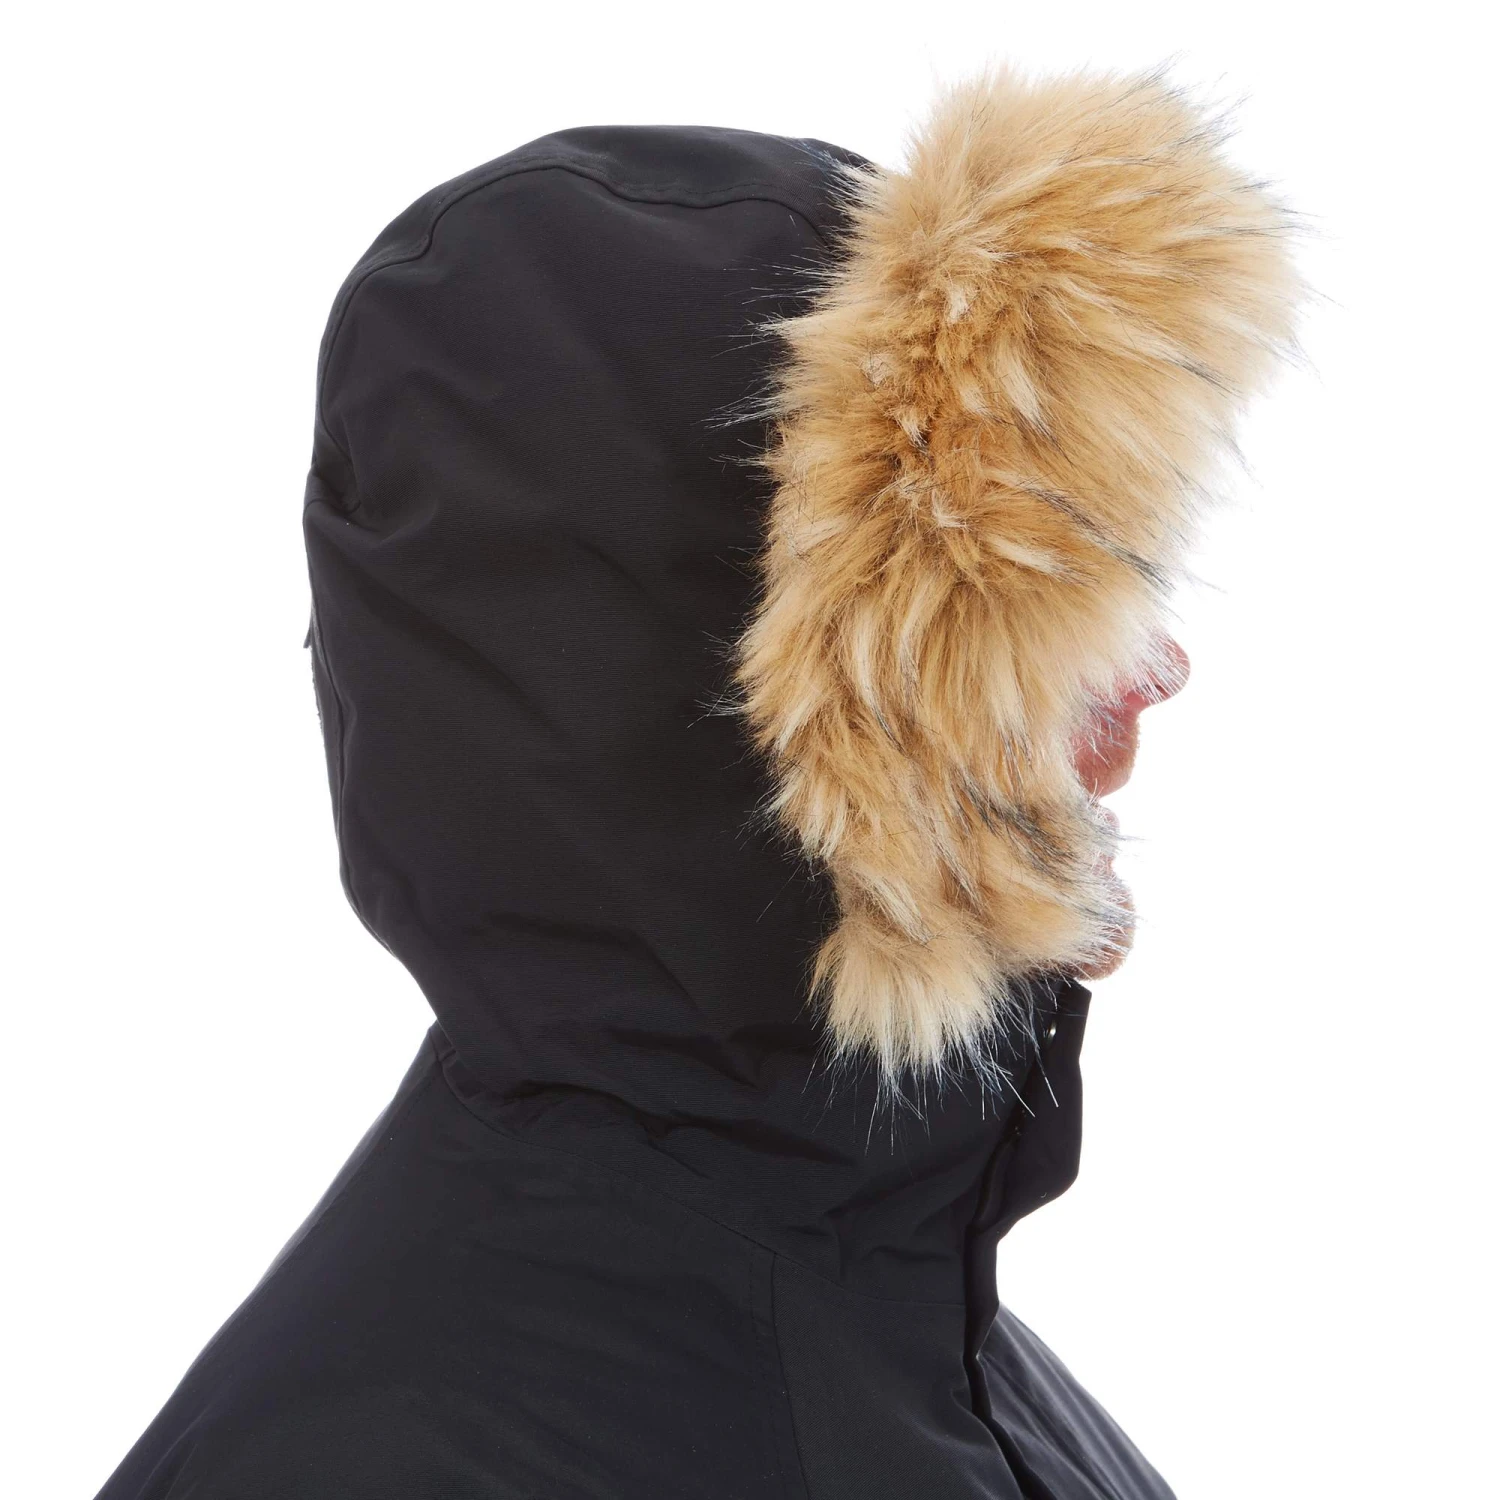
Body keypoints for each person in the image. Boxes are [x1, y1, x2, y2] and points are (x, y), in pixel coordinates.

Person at [95, 67, 1299, 1500]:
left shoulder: (890, 1329)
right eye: (1010, 629)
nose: (1153, 680)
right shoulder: (377, 1463)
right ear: (735, 725)